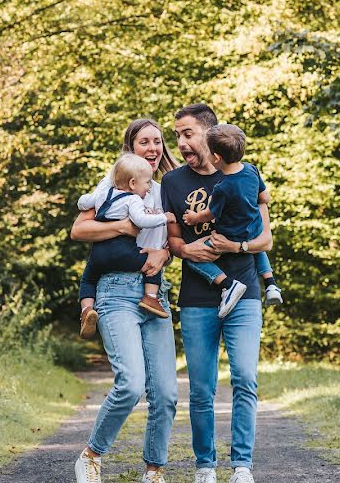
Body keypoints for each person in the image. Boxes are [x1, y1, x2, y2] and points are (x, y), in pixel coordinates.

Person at [161, 104, 273, 483]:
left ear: (210, 135)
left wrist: (236, 249)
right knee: (201, 388)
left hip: (245, 295)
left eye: (187, 133)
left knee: (245, 378)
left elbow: (265, 237)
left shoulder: (243, 174)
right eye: (176, 135)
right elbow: (173, 239)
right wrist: (185, 250)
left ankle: (241, 466)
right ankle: (205, 467)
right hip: (197, 298)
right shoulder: (172, 183)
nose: (181, 142)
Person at [70, 118, 180, 483]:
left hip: (155, 293)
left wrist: (165, 254)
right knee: (131, 384)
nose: (152, 148)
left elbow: (177, 237)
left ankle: (154, 470)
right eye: (144, 142)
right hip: (116, 290)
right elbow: (79, 229)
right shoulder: (113, 184)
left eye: (158, 142)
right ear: (130, 148)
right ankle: (91, 455)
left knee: (165, 393)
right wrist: (122, 226)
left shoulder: (168, 188)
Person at [182, 123, 283, 318]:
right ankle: (271, 284)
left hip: (228, 236)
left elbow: (209, 214)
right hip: (253, 228)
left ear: (217, 158)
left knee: (192, 258)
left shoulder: (223, 188)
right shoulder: (251, 170)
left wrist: (194, 218)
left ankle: (228, 285)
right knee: (257, 248)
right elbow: (265, 198)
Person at [76, 153, 178, 339]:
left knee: (88, 278)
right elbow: (141, 220)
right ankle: (151, 298)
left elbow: (84, 202)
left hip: (99, 252)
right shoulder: (133, 199)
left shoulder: (103, 193)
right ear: (132, 184)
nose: (148, 187)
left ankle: (87, 310)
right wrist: (165, 217)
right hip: (122, 251)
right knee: (152, 264)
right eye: (146, 183)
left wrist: (85, 200)